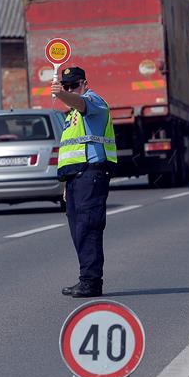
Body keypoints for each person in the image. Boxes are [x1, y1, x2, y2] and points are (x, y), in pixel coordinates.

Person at [51, 66, 117, 298]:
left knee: (88, 228)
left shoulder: (93, 101)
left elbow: (81, 103)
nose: (70, 89)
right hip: (77, 178)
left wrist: (61, 94)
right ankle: (86, 278)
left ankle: (91, 282)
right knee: (78, 230)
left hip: (92, 174)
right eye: (66, 86)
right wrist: (66, 185)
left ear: (84, 84)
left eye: (73, 85)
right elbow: (72, 151)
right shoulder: (72, 115)